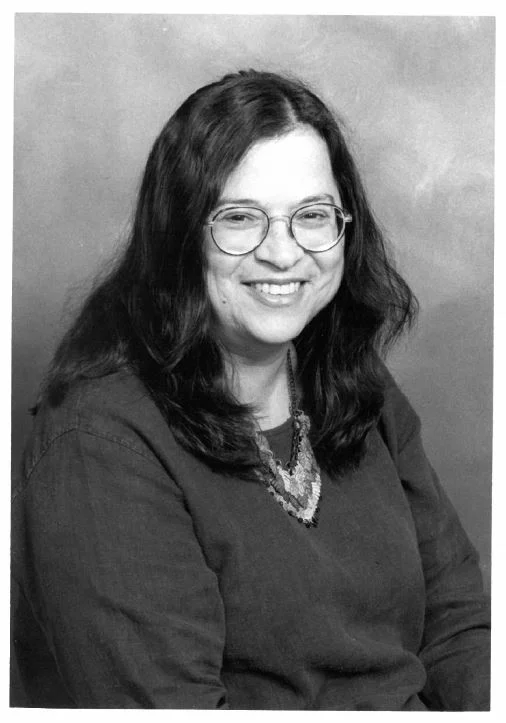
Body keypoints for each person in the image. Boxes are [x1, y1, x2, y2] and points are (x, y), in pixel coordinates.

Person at [11, 69, 490, 710]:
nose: (284, 255)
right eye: (240, 218)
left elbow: (459, 630)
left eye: (312, 216)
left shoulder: (356, 384)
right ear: (179, 233)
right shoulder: (98, 441)